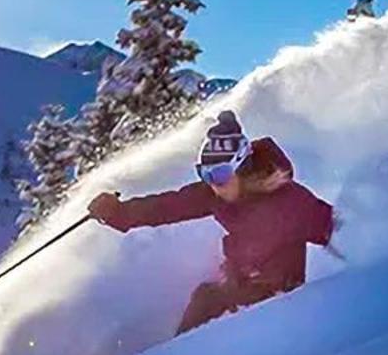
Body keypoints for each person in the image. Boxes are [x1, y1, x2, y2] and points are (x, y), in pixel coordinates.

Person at [88, 111, 336, 334]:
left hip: (276, 307)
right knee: (205, 297)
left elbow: (345, 231)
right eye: (204, 174)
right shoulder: (217, 194)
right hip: (236, 289)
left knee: (211, 300)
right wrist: (118, 212)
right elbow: (168, 206)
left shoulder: (291, 202)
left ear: (242, 167)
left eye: (219, 174)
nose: (213, 184)